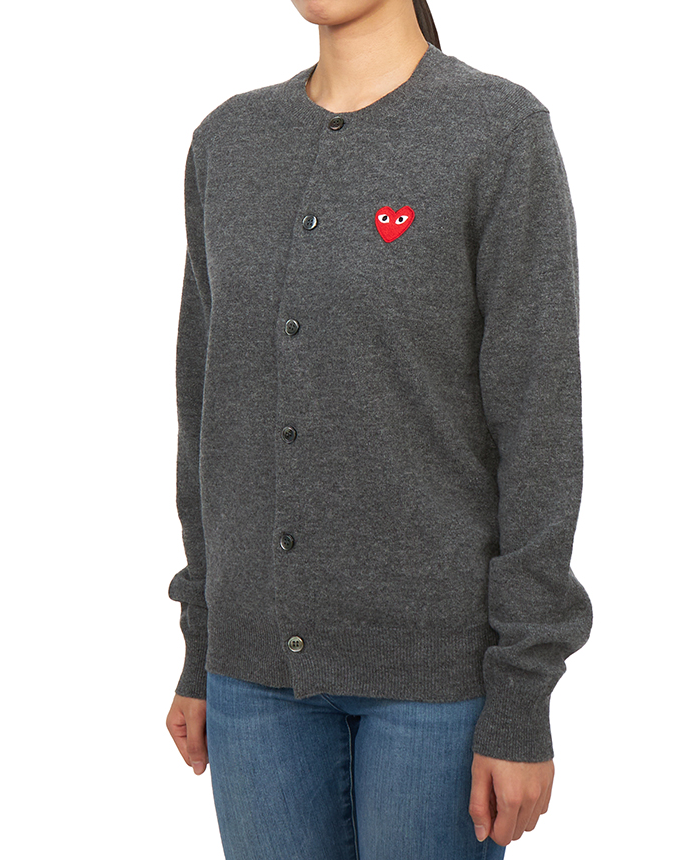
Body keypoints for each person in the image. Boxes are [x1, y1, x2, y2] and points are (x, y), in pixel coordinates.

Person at [165, 1, 593, 857]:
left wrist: (521, 698)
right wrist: (201, 643)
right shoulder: (229, 142)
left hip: (435, 683)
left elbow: (540, 426)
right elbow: (206, 409)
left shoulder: (497, 133)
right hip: (252, 678)